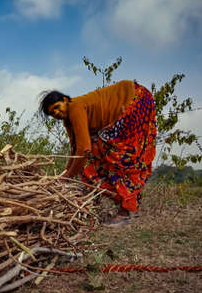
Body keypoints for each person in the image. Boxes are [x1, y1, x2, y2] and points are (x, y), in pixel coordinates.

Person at [39, 80, 157, 224]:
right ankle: (112, 204)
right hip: (136, 98)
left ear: (65, 100)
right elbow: (76, 148)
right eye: (53, 113)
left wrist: (68, 177)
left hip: (135, 98)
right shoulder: (68, 120)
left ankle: (126, 210)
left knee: (122, 158)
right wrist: (66, 173)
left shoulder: (75, 107)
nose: (57, 113)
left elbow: (84, 148)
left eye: (57, 107)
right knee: (94, 155)